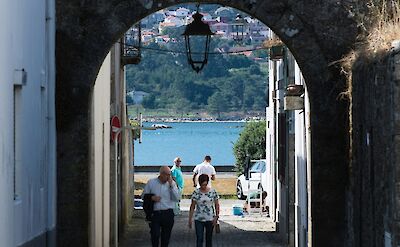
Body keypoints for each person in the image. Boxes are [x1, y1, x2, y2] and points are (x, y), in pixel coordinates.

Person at [142, 166, 180, 247]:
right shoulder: (151, 182)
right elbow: (143, 196)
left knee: (166, 237)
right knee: (155, 235)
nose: (168, 177)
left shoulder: (172, 184)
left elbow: (177, 198)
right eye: (167, 175)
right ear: (161, 174)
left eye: (170, 175)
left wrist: (171, 186)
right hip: (156, 213)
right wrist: (152, 198)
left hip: (168, 212)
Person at [188, 174, 220, 247]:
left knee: (209, 239)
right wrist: (190, 219)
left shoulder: (212, 191)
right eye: (202, 185)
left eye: (205, 184)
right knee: (199, 238)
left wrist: (216, 216)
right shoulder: (196, 192)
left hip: (210, 218)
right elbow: (192, 206)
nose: (203, 187)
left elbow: (217, 204)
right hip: (199, 219)